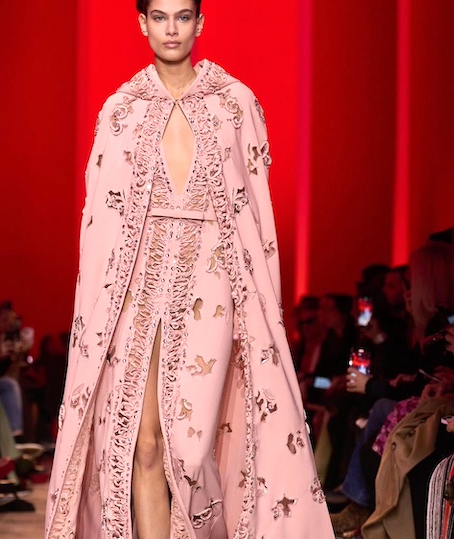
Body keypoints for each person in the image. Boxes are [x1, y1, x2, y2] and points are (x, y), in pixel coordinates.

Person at [45, 1, 334, 538]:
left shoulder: (234, 103)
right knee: (143, 442)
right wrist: (97, 312)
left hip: (213, 282)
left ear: (200, 23)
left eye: (182, 16)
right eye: (159, 17)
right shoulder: (122, 110)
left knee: (194, 447)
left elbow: (256, 213)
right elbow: (99, 220)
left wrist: (261, 303)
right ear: (142, 23)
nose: (171, 29)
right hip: (136, 286)